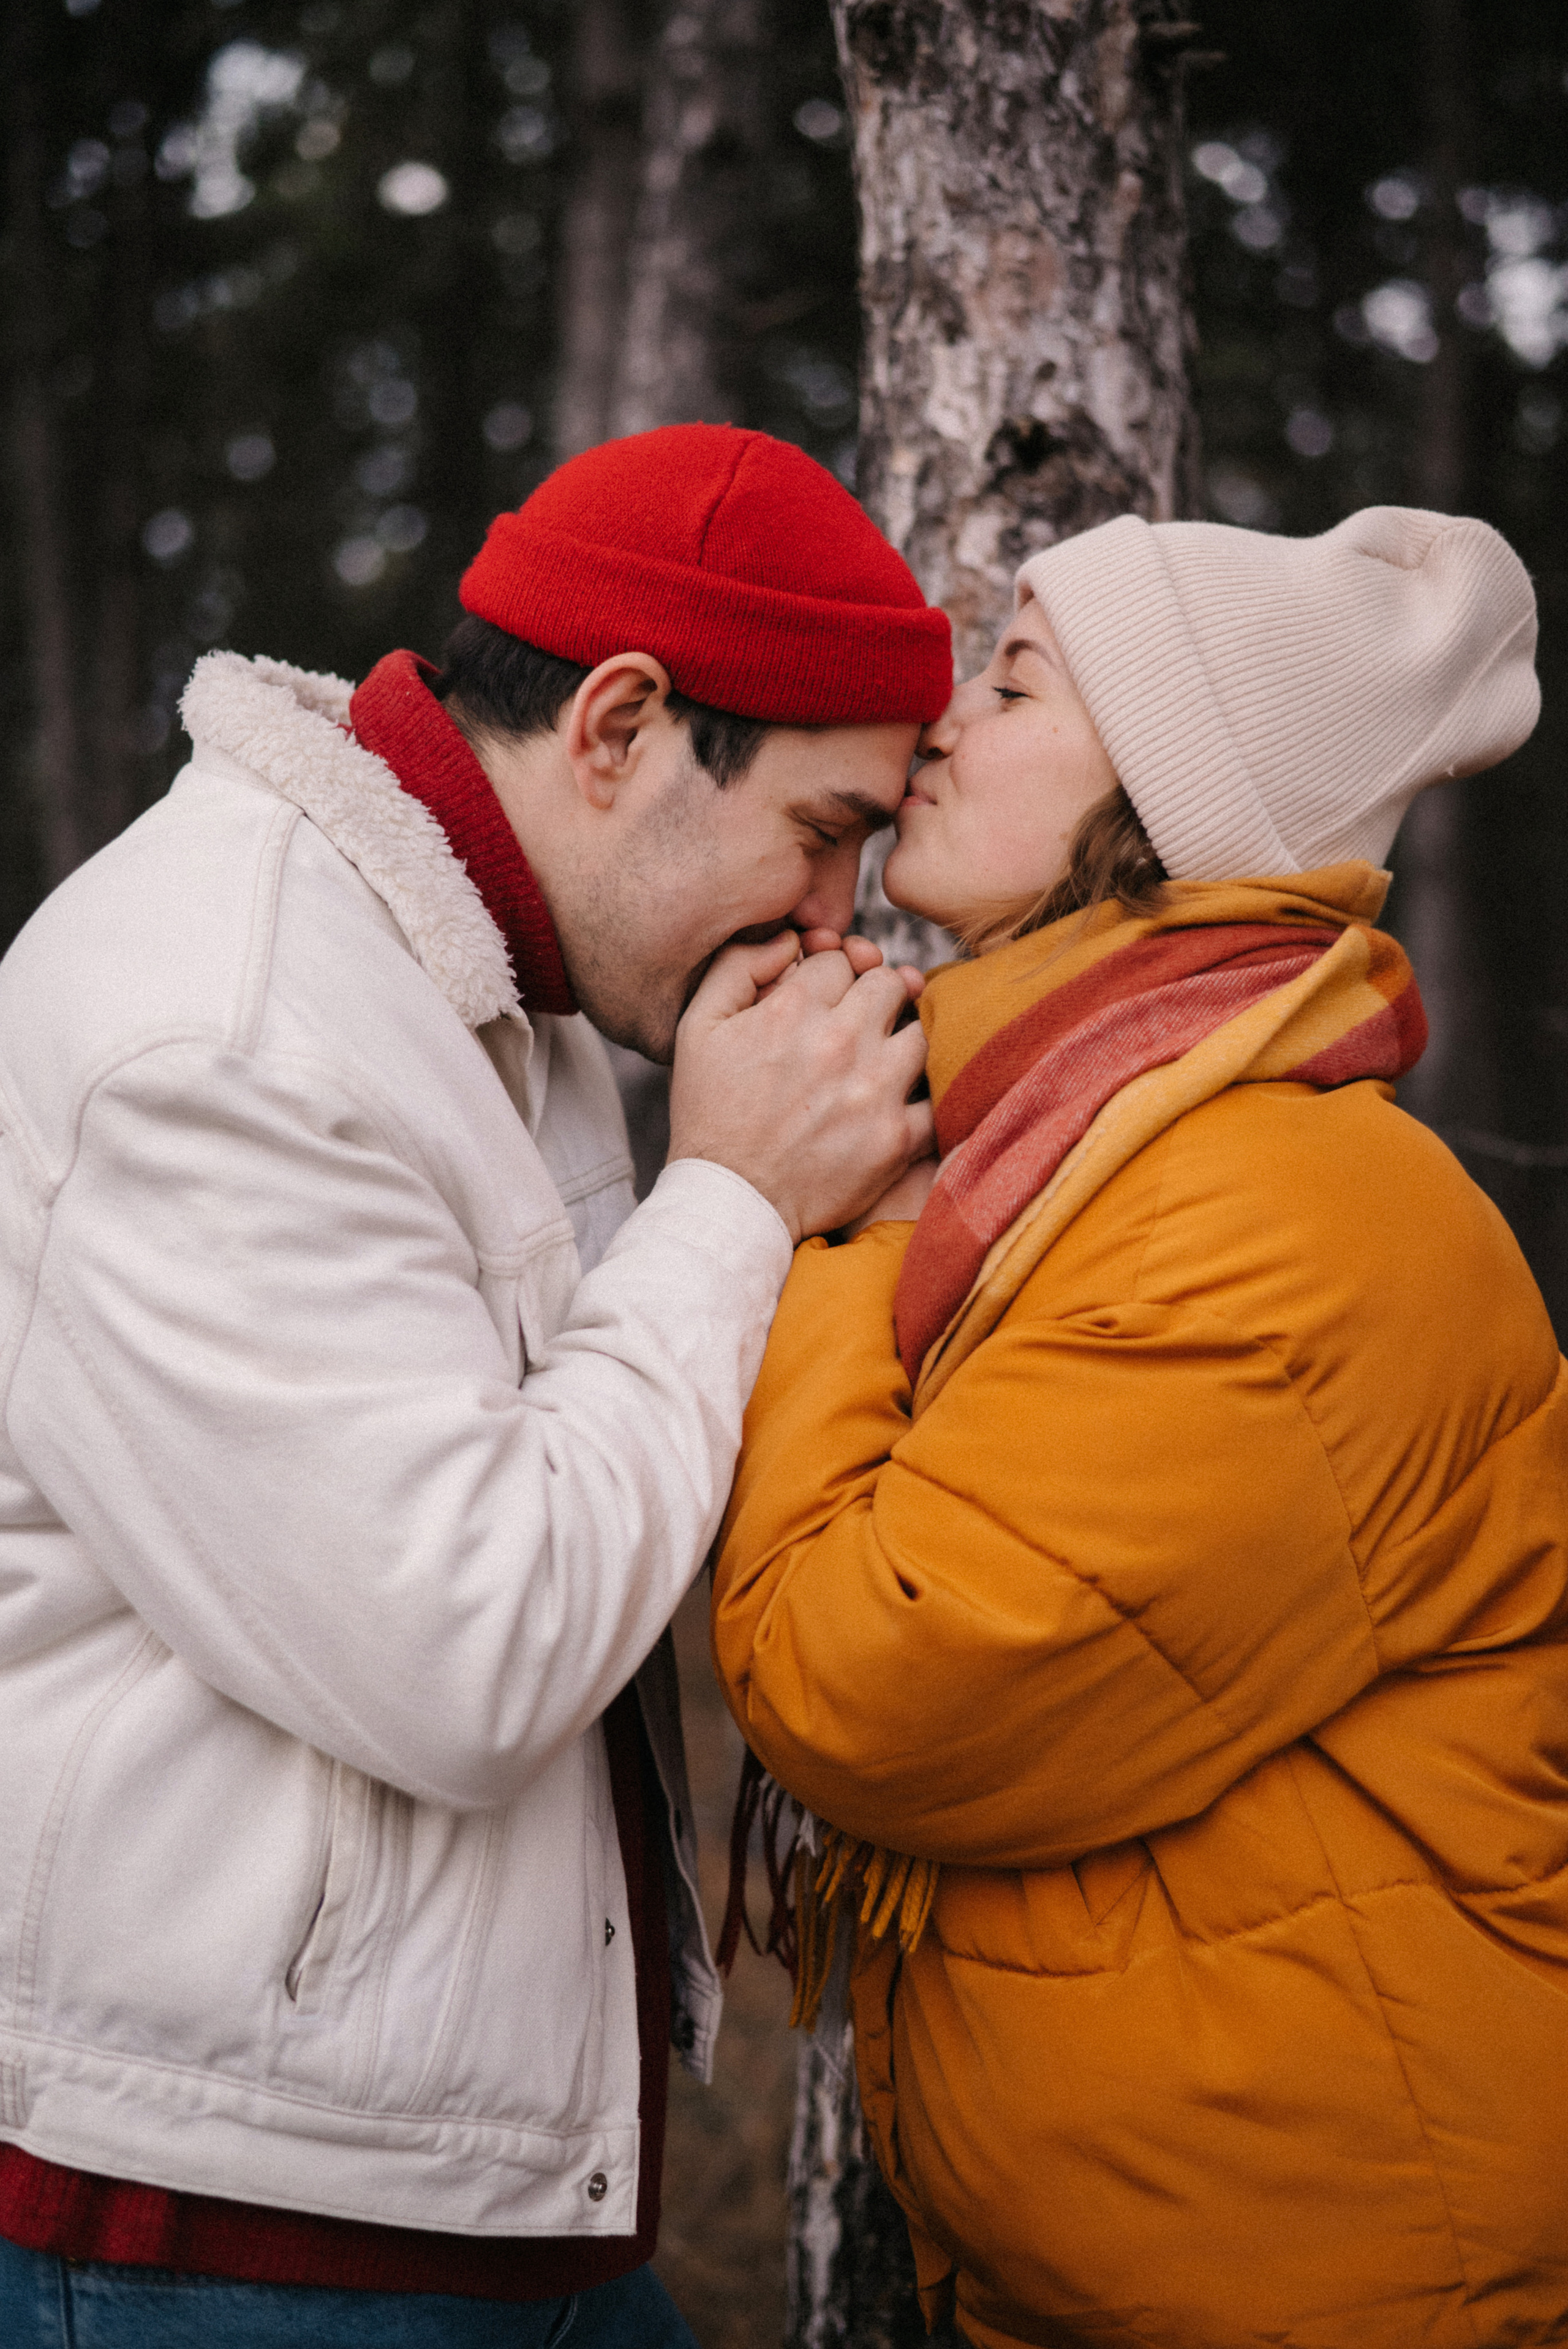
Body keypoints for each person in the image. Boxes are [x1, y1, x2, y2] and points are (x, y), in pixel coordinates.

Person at [0, 423, 946, 2347]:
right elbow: (472, 1646)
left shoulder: (501, 979)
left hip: (451, 2186)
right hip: (220, 2237)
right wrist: (735, 1195)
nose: (836, 916)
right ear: (620, 725)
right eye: (823, 829)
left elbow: (598, 1449)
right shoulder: (223, 1028)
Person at [712, 506, 1568, 2349]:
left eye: (1017, 684)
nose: (943, 719)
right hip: (1195, 2256)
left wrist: (822, 1227)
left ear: (1170, 803)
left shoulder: (1272, 1213)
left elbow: (875, 1678)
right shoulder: (1087, 1147)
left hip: (1346, 2273)